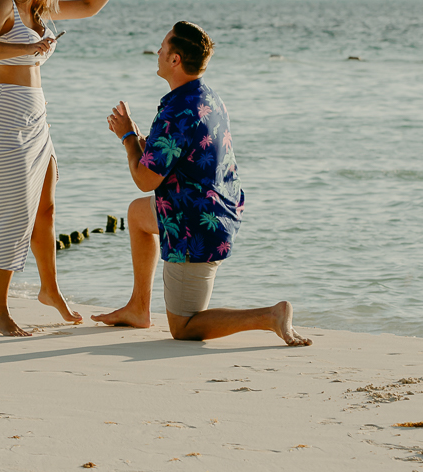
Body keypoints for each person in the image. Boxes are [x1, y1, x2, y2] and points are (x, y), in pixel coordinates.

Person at [91, 21, 311, 346]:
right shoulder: (205, 96)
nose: (158, 51)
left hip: (196, 226)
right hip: (213, 209)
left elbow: (145, 178)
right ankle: (139, 308)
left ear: (175, 59)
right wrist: (138, 136)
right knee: (138, 215)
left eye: (163, 46)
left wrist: (126, 137)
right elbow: (178, 153)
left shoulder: (177, 111)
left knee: (184, 328)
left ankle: (270, 316)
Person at [0, 0, 124, 337]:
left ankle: (49, 290)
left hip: (36, 117)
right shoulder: (3, 3)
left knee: (46, 210)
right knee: (14, 214)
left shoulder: (42, 10)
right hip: (5, 117)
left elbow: (90, 7)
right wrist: (29, 48)